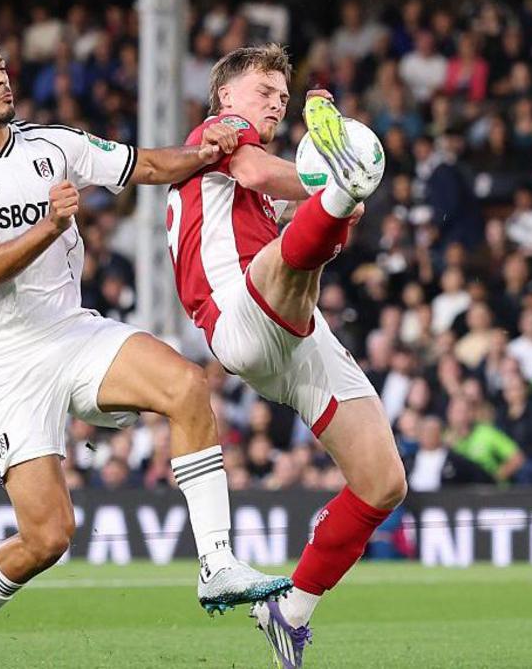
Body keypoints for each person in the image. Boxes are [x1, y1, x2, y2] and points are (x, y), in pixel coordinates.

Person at [0, 30, 289, 669]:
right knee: (48, 536)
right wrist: (52, 225)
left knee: (187, 386)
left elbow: (147, 165)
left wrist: (207, 151)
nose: (1, 79)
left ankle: (216, 563)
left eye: (2, 67)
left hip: (72, 331)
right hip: (4, 362)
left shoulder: (53, 145)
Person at [166, 45, 405, 668]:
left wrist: (336, 194)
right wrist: (336, 178)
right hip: (237, 314)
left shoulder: (268, 181)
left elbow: (326, 221)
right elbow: (255, 174)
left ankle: (291, 609)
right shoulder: (219, 134)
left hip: (296, 333)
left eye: (282, 94)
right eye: (263, 89)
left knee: (383, 484)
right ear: (226, 96)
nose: (275, 101)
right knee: (314, 227)